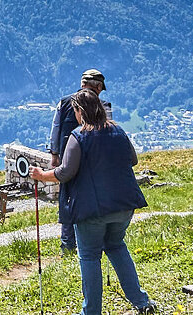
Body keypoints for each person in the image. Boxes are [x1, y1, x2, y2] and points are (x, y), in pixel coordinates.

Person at [31, 91, 157, 315]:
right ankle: (141, 302)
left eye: (76, 111)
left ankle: (91, 312)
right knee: (117, 246)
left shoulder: (78, 136)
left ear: (79, 112)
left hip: (92, 210)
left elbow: (65, 172)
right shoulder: (118, 130)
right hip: (124, 205)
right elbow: (133, 160)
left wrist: (42, 175)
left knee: (89, 256)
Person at [48, 69, 113, 253]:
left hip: (67, 160)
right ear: (99, 87)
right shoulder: (104, 105)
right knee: (93, 198)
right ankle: (94, 243)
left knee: (67, 199)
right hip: (94, 162)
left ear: (83, 84)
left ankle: (68, 246)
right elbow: (108, 133)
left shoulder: (64, 102)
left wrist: (54, 155)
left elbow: (56, 129)